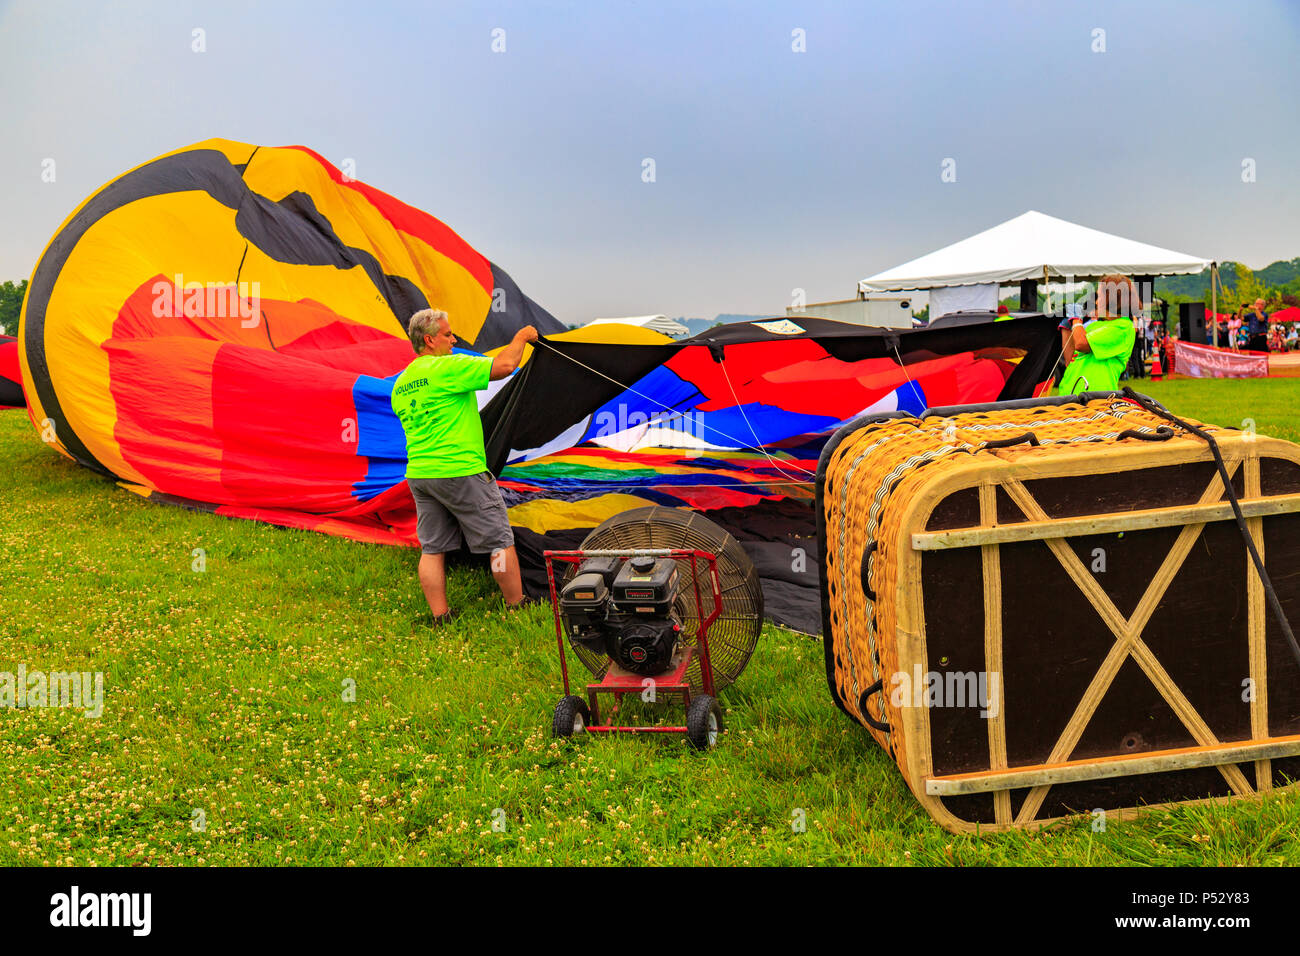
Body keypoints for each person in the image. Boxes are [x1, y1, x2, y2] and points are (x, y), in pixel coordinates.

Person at [391, 308, 539, 624]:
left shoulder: (401, 384)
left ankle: (440, 616)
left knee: (432, 548)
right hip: (460, 470)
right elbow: (506, 366)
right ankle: (516, 605)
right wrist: (522, 337)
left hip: (420, 474)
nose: (454, 339)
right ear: (429, 340)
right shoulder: (448, 367)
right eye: (448, 334)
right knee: (499, 541)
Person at [1058, 274, 1139, 394]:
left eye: (1099, 296)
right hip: (1070, 395)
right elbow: (1070, 359)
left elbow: (1081, 344)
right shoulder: (1094, 326)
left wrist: (1076, 320)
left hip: (1096, 398)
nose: (1096, 302)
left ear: (1111, 299)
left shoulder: (1123, 327)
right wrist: (1067, 327)